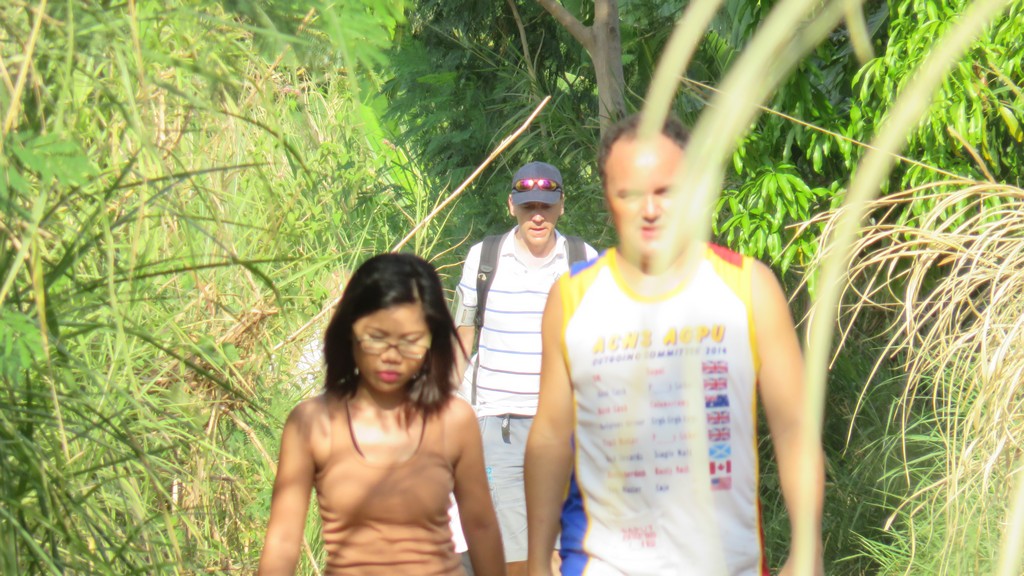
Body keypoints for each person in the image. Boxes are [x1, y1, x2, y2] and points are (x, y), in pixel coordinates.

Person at [524, 114, 825, 576]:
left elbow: (794, 428)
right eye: (629, 194)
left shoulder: (749, 289)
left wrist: (808, 552)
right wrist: (536, 560)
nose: (649, 209)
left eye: (666, 191)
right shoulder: (570, 301)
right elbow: (549, 437)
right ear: (607, 197)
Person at [258, 253, 505, 576]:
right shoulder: (311, 424)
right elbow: (283, 541)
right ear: (349, 331)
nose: (391, 355)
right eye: (376, 337)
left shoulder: (455, 420)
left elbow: (481, 526)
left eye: (410, 341)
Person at [452, 162, 598, 576]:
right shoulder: (483, 258)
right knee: (514, 555)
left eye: (546, 206)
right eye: (528, 206)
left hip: (563, 427)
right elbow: (463, 335)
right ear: (511, 205)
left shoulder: (582, 259)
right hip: (497, 425)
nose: (538, 216)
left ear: (561, 206)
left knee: (562, 553)